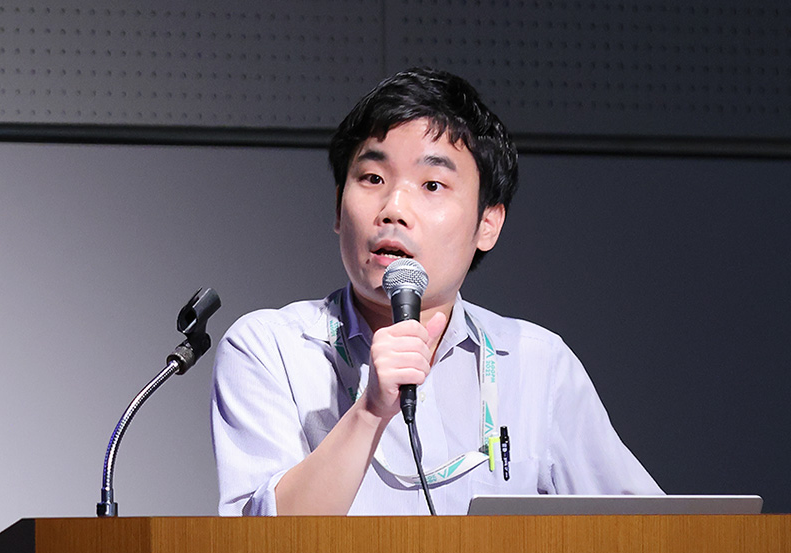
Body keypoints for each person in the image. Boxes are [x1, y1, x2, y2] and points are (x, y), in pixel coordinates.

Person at [211, 67, 662, 516]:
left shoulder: (538, 364)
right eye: (372, 178)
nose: (394, 208)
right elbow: (258, 547)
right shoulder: (269, 348)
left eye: (432, 185)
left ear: (488, 224)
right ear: (337, 207)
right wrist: (369, 412)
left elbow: (654, 535)